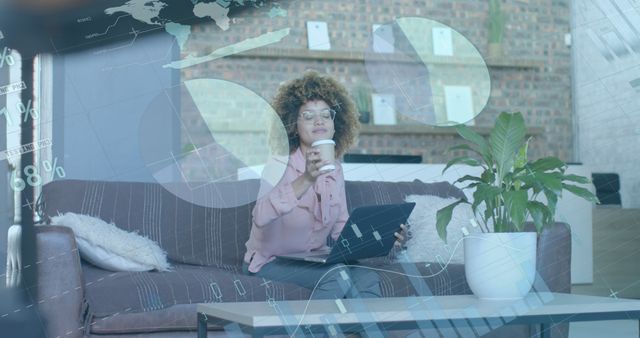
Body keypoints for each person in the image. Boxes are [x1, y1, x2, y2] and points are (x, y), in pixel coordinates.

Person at [242, 71, 406, 300]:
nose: (319, 121)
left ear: (334, 123)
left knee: (367, 276)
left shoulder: (335, 169)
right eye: (308, 116)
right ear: (293, 125)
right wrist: (306, 179)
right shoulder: (278, 163)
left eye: (326, 115)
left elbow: (341, 228)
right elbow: (260, 215)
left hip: (313, 259)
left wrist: (385, 238)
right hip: (269, 262)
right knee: (337, 276)